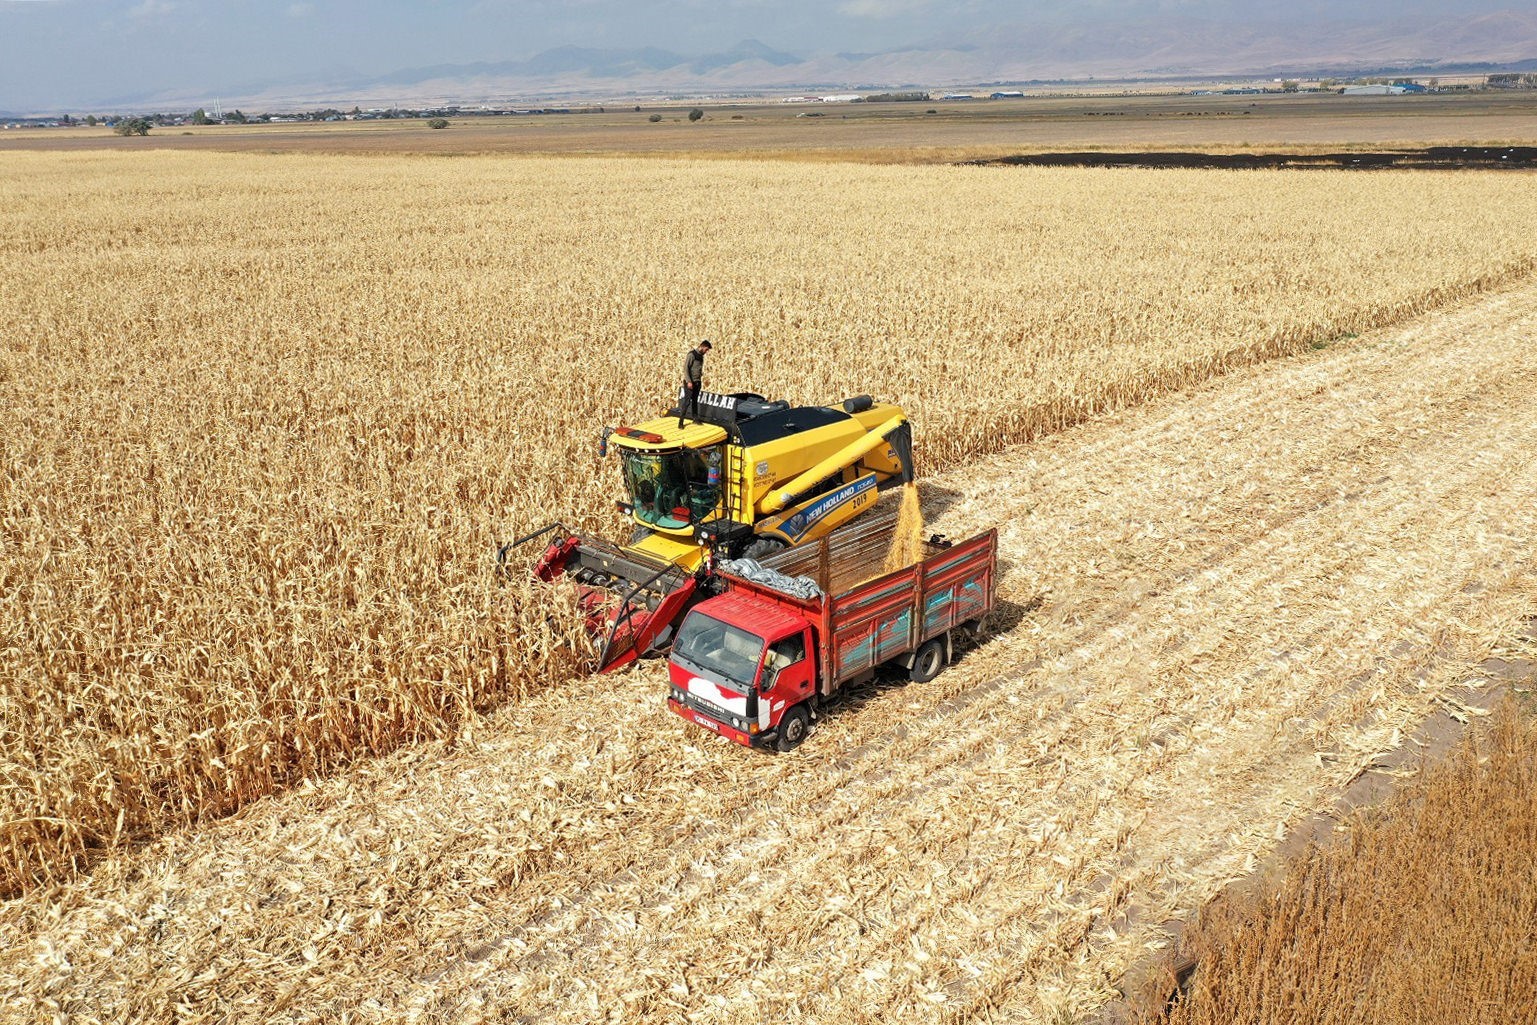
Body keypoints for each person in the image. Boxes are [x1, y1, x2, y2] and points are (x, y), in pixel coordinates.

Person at [679, 339, 711, 428]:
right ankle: (681, 422)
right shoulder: (691, 355)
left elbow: (698, 368)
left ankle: (695, 419)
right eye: (706, 349)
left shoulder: (701, 356)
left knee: (695, 401)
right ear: (702, 346)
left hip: (697, 382)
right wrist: (689, 381)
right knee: (687, 402)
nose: (706, 351)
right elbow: (686, 369)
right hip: (690, 383)